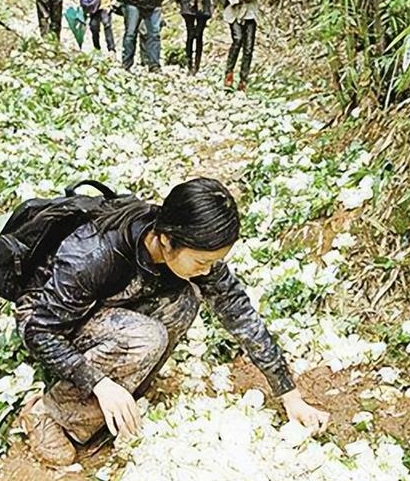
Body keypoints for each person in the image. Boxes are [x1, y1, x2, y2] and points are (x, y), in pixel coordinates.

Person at [17, 178, 329, 465]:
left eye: (212, 262)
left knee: (184, 301)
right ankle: (48, 414)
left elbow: (237, 311)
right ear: (166, 241)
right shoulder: (94, 254)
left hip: (107, 304)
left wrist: (289, 394)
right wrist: (98, 382)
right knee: (145, 337)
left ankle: (123, 386)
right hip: (47, 318)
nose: (207, 270)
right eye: (202, 262)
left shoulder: (185, 243)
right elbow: (40, 331)